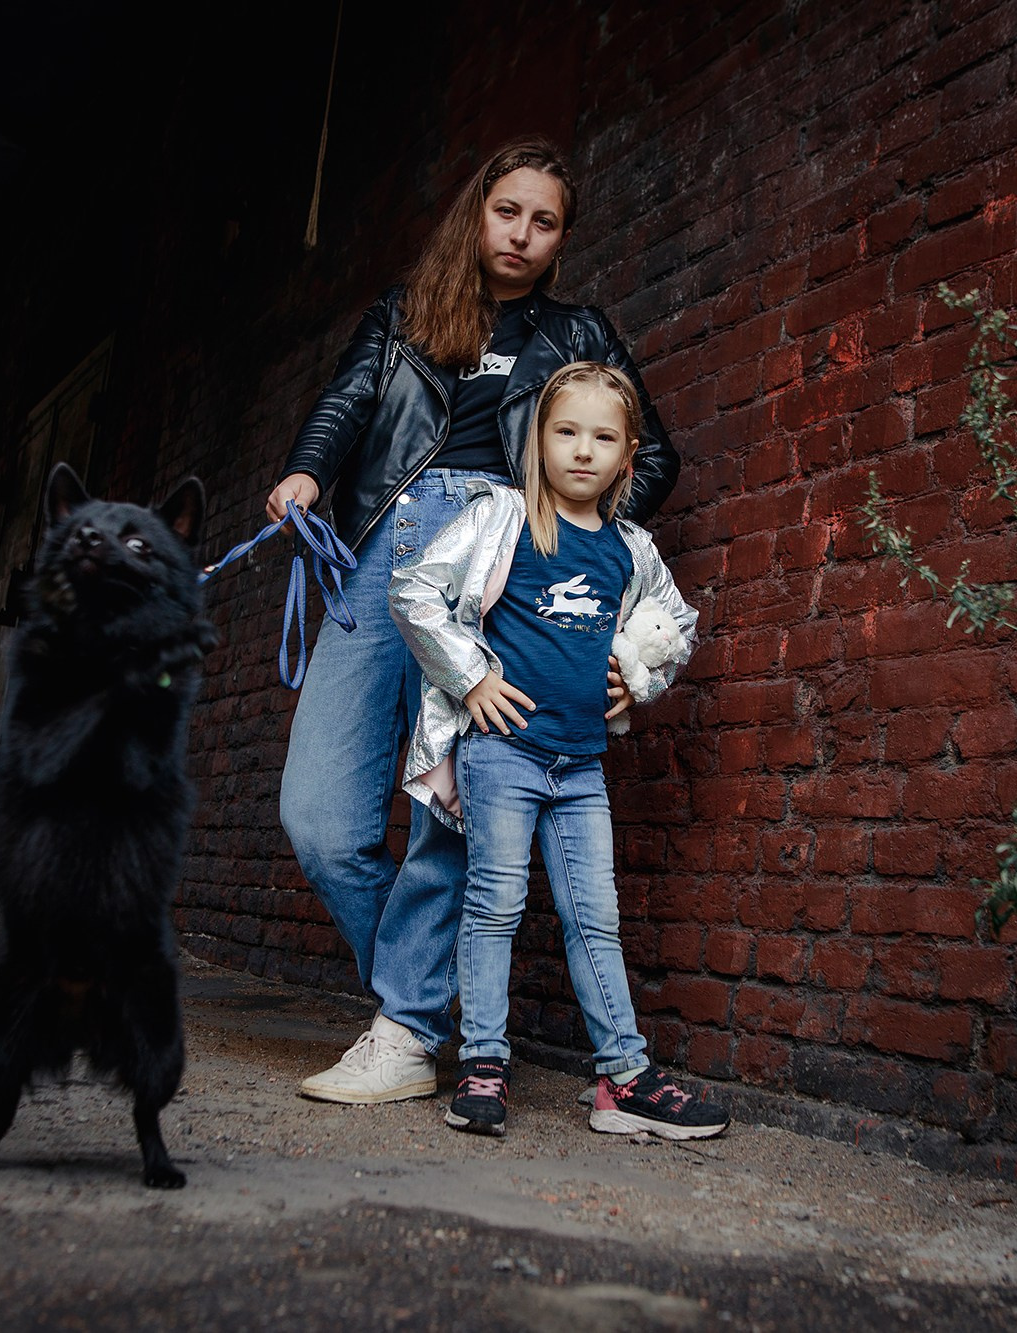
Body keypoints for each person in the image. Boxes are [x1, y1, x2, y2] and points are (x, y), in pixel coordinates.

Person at [269, 138, 680, 1104]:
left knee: (443, 812)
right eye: (508, 212)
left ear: (561, 238)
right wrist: (306, 471)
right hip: (383, 559)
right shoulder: (405, 313)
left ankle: (406, 1031)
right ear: (477, 212)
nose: (522, 235)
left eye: (544, 222)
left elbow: (652, 458)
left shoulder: (580, 335)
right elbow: (346, 404)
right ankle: (433, 999)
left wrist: (569, 554)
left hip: (500, 562)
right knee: (319, 816)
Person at [388, 361, 729, 1140]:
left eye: (602, 437)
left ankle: (625, 1078)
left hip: (579, 766)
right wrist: (471, 678)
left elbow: (677, 629)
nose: (582, 450)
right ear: (537, 439)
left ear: (627, 454)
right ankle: (482, 1063)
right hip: (501, 755)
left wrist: (636, 682)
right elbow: (413, 590)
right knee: (496, 903)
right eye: (565, 431)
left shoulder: (630, 550)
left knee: (594, 918)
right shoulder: (503, 518)